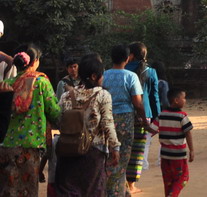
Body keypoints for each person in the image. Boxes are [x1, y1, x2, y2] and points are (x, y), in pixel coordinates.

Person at [52, 54, 119, 196]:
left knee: (69, 191)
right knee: (92, 190)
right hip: (93, 150)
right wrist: (115, 147)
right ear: (94, 76)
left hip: (67, 149)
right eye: (101, 75)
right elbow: (107, 123)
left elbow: (58, 119)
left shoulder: (66, 95)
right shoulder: (103, 95)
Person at [0, 46, 60, 197]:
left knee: (8, 189)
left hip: (6, 145)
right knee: (27, 190)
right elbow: (54, 112)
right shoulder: (40, 82)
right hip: (31, 146)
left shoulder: (6, 83)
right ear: (35, 61)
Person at [103, 44, 146, 197]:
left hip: (106, 119)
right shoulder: (131, 76)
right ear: (127, 59)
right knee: (122, 157)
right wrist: (145, 121)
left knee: (108, 155)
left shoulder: (104, 75)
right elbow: (138, 103)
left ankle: (117, 189)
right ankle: (116, 192)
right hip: (125, 120)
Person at [124, 42, 160, 194]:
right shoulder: (150, 72)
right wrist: (157, 115)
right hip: (145, 114)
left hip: (124, 113)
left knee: (123, 147)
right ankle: (132, 183)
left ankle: (122, 182)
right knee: (139, 149)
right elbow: (154, 96)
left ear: (131, 55)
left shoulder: (124, 69)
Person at [149, 88, 194, 197]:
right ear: (176, 100)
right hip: (178, 154)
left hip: (165, 154)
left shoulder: (162, 115)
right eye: (183, 98)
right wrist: (192, 150)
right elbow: (188, 133)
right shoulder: (182, 116)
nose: (185, 100)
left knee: (168, 181)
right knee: (183, 177)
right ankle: (173, 195)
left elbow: (152, 130)